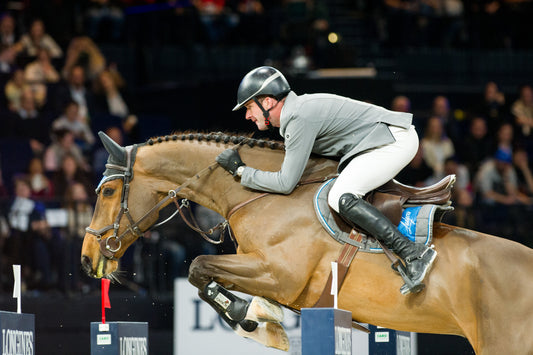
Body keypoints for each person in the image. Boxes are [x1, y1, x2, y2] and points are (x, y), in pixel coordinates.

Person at [217, 66, 436, 294]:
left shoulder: (299, 117)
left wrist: (242, 171)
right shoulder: (299, 112)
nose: (247, 115)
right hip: (384, 140)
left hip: (394, 140)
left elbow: (285, 183)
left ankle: (413, 254)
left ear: (269, 101)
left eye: (249, 107)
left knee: (340, 196)